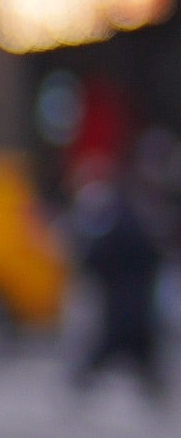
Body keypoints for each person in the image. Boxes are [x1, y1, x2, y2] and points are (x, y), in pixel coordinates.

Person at [68, 166, 167, 404]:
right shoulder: (137, 222)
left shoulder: (122, 221)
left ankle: (84, 381)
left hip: (123, 300)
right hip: (133, 300)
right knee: (132, 346)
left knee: (120, 344)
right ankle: (152, 389)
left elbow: (98, 257)